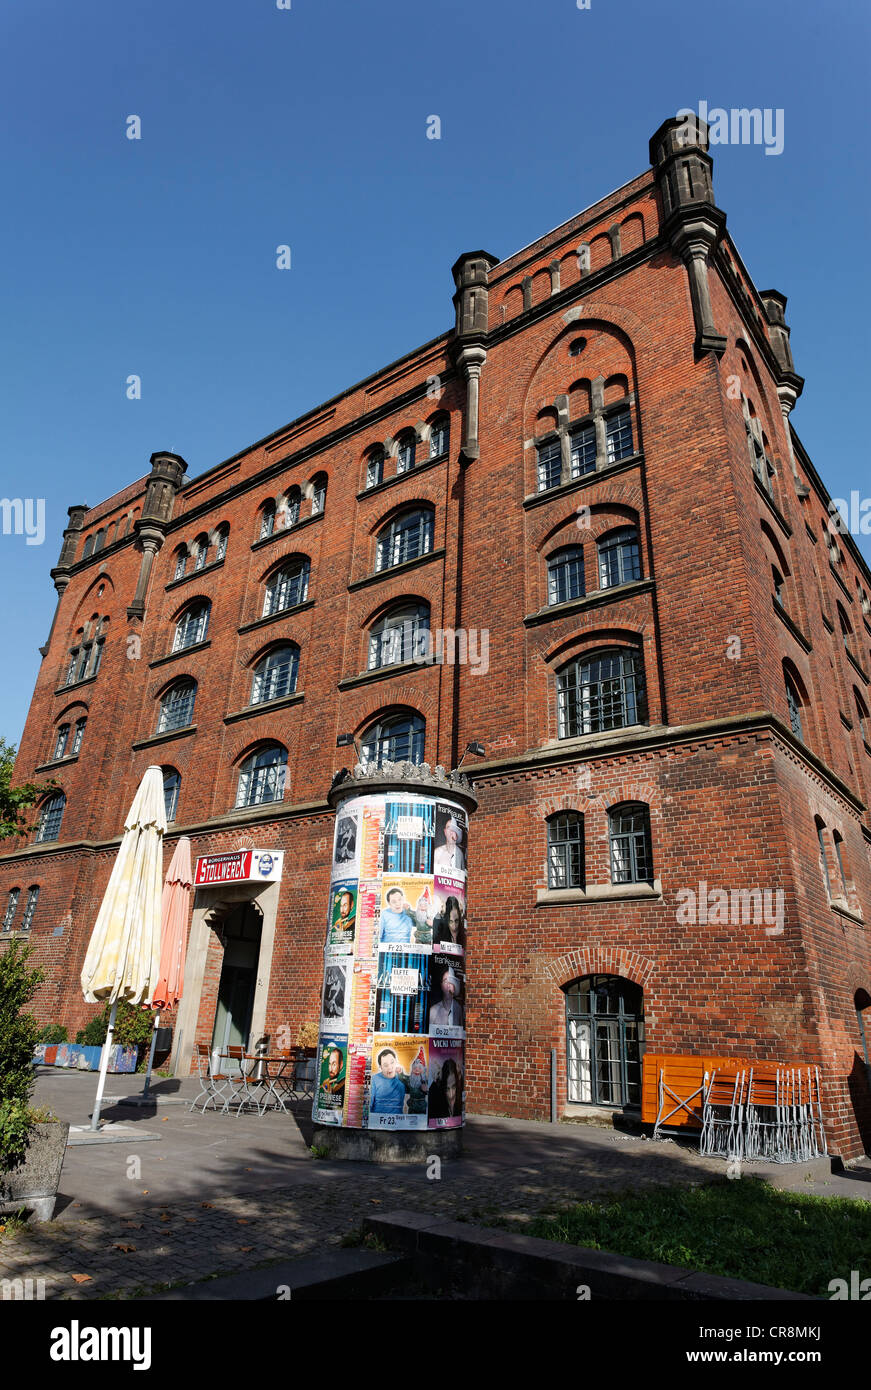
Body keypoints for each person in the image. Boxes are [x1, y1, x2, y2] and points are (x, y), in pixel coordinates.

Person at [369, 1047, 408, 1115]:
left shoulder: (402, 1079)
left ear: (396, 1062)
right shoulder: (374, 1079)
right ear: (381, 1067)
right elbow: (369, 1104)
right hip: (377, 1120)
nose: (390, 1067)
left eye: (392, 1062)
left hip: (398, 1120)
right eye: (385, 1065)